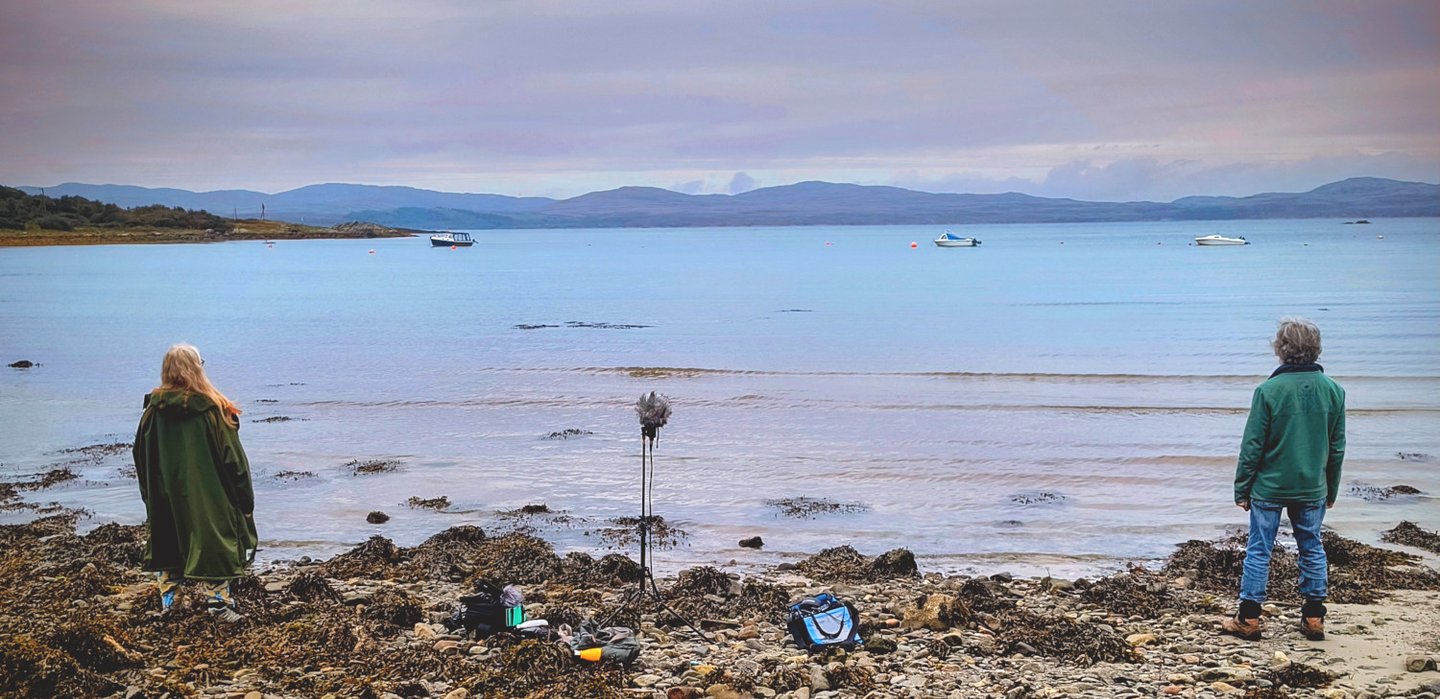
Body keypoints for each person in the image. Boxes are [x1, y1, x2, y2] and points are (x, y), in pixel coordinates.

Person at [1222, 318, 1345, 641]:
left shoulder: (1268, 391)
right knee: (1312, 546)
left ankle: (1249, 618)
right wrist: (1332, 488)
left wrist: (1241, 488)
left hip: (1269, 486)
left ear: (1281, 349)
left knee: (1259, 549)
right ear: (1316, 348)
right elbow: (1336, 447)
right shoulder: (1333, 391)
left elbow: (1252, 446)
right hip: (1312, 486)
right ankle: (1314, 617)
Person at [133, 343, 257, 622]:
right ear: (197, 369)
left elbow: (140, 456)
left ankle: (171, 602)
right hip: (210, 497)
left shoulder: (152, 413)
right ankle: (219, 605)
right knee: (214, 545)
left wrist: (148, 495)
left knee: (167, 542)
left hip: (164, 495)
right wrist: (246, 502)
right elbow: (235, 463)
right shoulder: (215, 412)